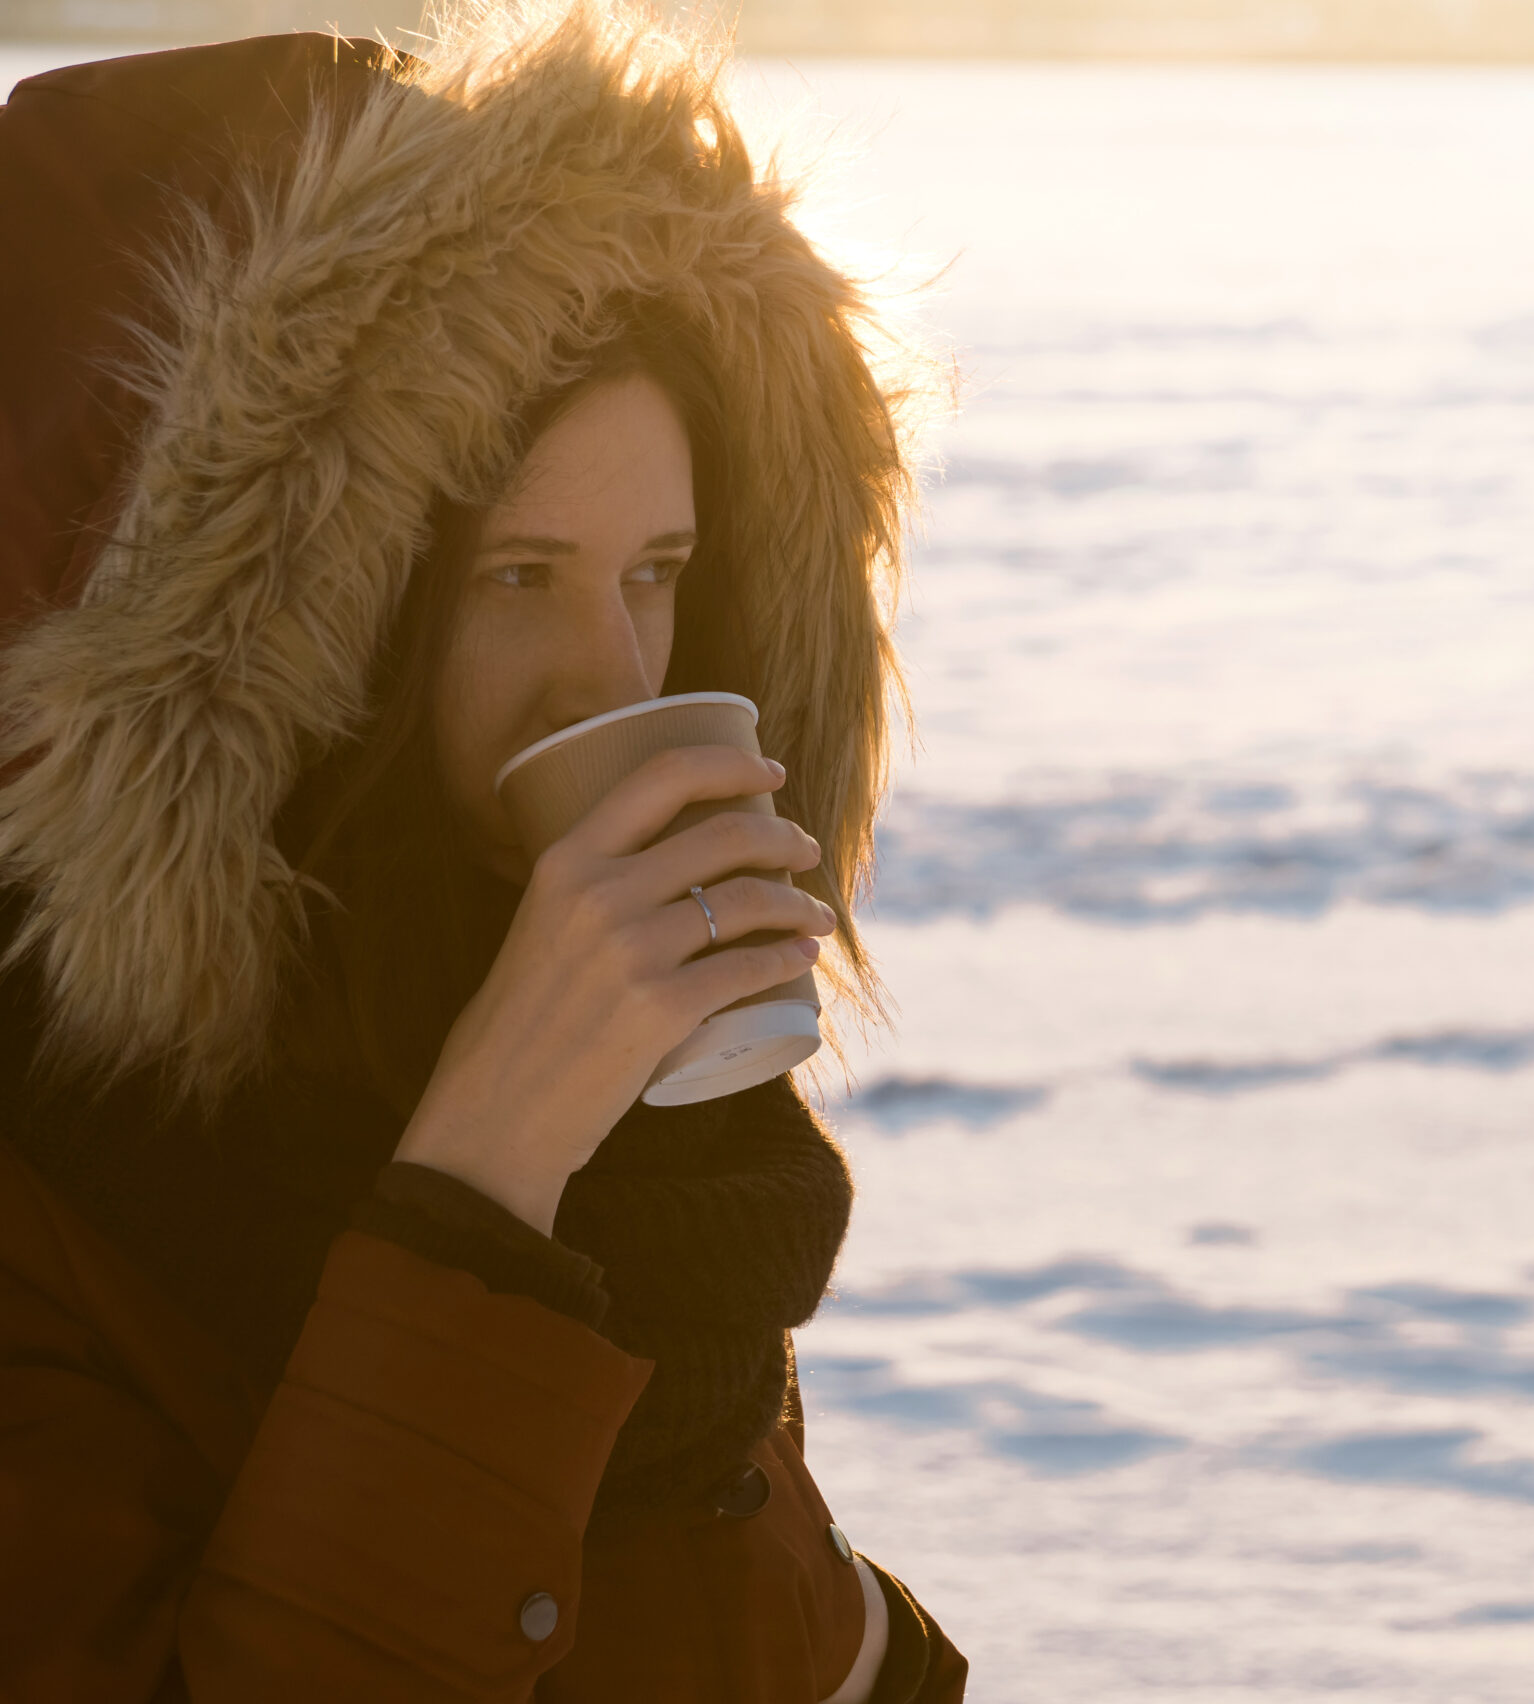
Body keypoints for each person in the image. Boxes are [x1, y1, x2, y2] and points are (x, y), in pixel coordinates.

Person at [0, 3, 966, 1697]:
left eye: (655, 571)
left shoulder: (577, 1062)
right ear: (310, 630)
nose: (611, 674)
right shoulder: (54, 1158)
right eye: (515, 578)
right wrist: (483, 1173)